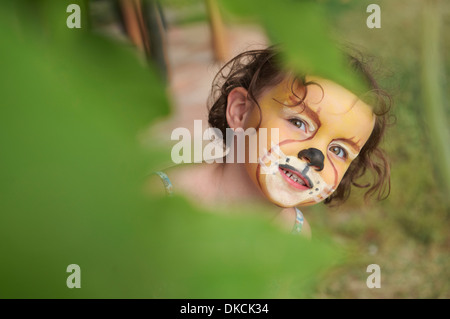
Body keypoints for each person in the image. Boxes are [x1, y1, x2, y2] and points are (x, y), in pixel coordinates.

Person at [148, 46, 392, 238]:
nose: (315, 157)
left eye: (338, 150)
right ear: (241, 111)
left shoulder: (295, 234)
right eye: (298, 123)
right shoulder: (163, 197)